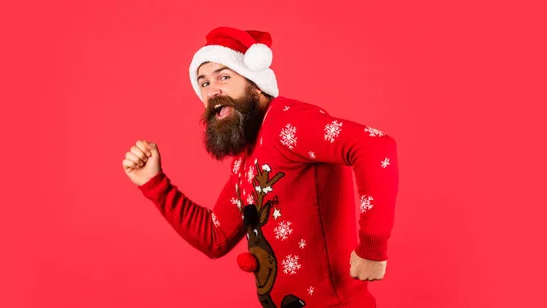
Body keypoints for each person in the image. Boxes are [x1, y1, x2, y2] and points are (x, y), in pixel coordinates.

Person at [122, 27, 399, 308]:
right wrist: (155, 183)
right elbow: (214, 236)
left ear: (255, 83)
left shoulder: (285, 122)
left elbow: (375, 147)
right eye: (203, 83)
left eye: (224, 77)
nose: (212, 90)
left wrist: (372, 248)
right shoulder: (247, 158)